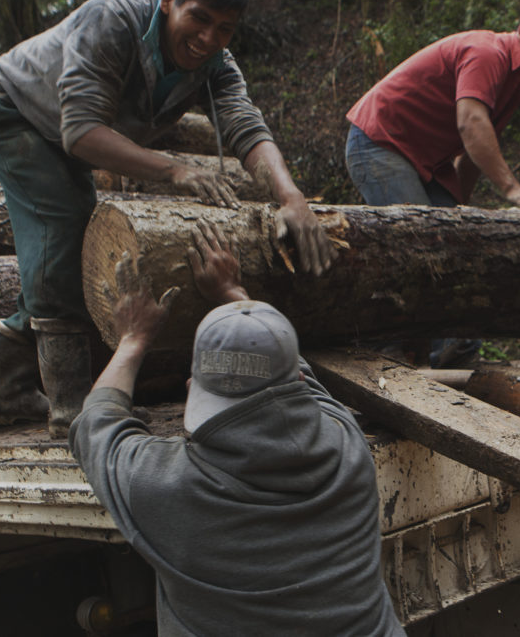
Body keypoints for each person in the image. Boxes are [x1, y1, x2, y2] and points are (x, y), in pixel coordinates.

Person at [0, 0, 334, 437]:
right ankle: (71, 412)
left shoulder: (216, 63)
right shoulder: (114, 19)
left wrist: (291, 197)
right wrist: (175, 171)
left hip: (64, 131)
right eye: (199, 18)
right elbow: (81, 131)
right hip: (17, 112)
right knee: (62, 235)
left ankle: (2, 389)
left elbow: (244, 124)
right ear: (169, 0)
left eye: (225, 29)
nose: (209, 38)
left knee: (69, 250)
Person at [68, 219, 403, 635]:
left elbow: (96, 423)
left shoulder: (166, 488)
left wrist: (133, 339)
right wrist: (238, 301)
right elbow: (294, 373)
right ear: (296, 386)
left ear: (193, 387)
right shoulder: (348, 447)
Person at [345, 0, 520, 209]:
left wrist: (463, 214)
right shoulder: (488, 53)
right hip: (380, 142)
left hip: (424, 160)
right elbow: (471, 124)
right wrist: (511, 187)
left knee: (453, 238)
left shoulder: (518, 82)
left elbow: (473, 150)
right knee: (419, 240)